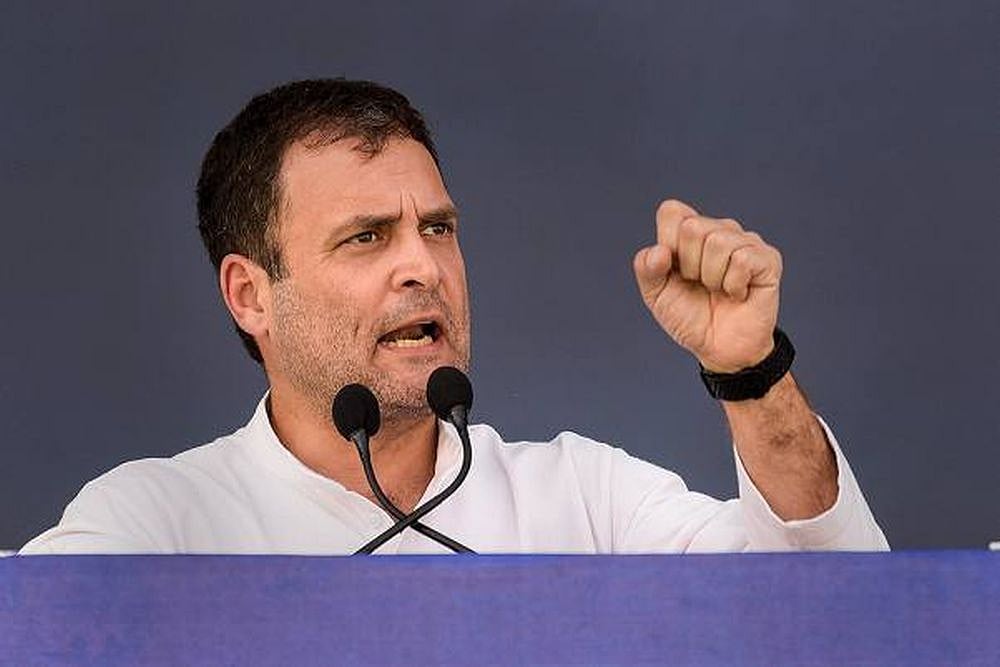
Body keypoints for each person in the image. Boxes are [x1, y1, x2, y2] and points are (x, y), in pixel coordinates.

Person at [21, 79, 887, 555]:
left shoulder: (585, 500)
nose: (424, 266)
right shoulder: (159, 524)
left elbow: (832, 618)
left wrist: (752, 373)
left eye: (437, 228)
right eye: (366, 237)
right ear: (251, 294)